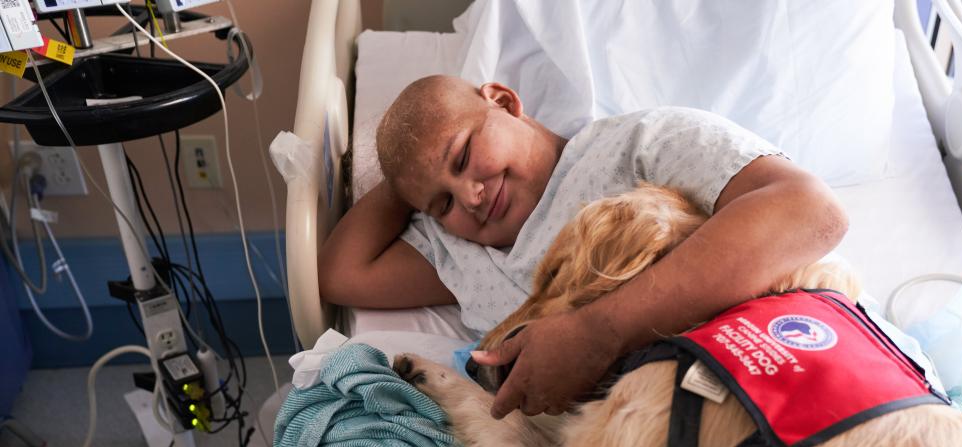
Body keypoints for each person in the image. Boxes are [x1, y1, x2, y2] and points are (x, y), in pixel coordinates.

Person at [318, 75, 848, 418]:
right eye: (443, 203)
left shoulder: (638, 146)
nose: (471, 197)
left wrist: (598, 332)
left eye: (462, 158)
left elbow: (809, 212)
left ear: (503, 101)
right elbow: (342, 272)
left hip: (766, 381)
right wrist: (409, 173)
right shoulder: (459, 254)